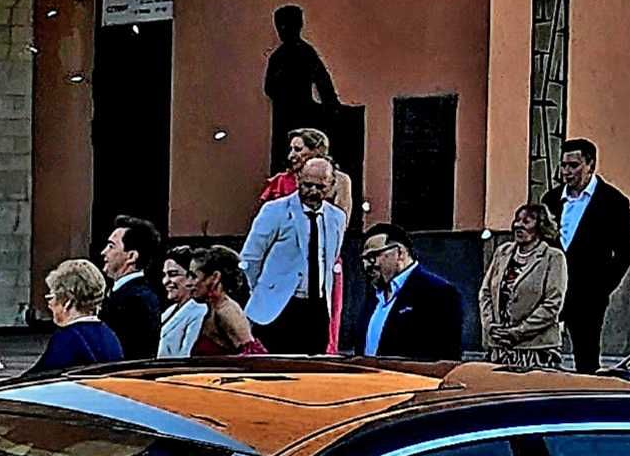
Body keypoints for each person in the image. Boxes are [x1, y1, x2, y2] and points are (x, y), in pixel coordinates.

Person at [238, 153, 347, 353]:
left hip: (317, 306)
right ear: (298, 180)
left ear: (331, 186)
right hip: (279, 307)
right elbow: (250, 258)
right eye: (307, 184)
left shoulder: (337, 217)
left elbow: (330, 261)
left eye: (320, 187)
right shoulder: (274, 210)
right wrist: (263, 290)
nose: (312, 191)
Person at [554, 139, 630, 375]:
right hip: (552, 289)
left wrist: (602, 287)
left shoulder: (613, 202)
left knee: (586, 356)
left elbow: (626, 250)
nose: (567, 172)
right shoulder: (551, 200)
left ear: (590, 165)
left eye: (573, 165)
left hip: (588, 292)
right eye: (564, 166)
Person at [355, 225, 468, 359]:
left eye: (373, 256)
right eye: (364, 259)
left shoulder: (439, 293)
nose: (367, 265)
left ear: (400, 253)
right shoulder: (374, 296)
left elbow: (445, 357)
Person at [480, 202, 570, 368]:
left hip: (535, 351)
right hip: (500, 349)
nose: (518, 226)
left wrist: (519, 332)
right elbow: (485, 293)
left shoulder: (553, 258)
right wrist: (490, 326)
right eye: (517, 220)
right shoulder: (502, 252)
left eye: (526, 222)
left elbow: (552, 304)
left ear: (540, 227)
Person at [260, 6, 341, 171]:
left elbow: (323, 82)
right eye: (280, 26)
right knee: (284, 158)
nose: (282, 31)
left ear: (298, 26)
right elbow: (269, 88)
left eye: (286, 26)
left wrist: (333, 107)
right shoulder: (278, 57)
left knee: (302, 156)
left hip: (302, 113)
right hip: (284, 115)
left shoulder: (305, 53)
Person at [28, 261, 120, 374]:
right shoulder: (109, 334)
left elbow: (35, 379)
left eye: (52, 297)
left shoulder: (68, 338)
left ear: (67, 302)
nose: (49, 304)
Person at [97, 216, 166, 360]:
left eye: (111, 246)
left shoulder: (136, 298)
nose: (104, 252)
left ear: (132, 256)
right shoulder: (123, 293)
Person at [187, 248, 271, 358]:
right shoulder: (212, 309)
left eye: (193, 276)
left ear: (215, 277)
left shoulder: (227, 311)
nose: (188, 283)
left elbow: (256, 357)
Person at [156, 249, 207, 358]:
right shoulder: (169, 311)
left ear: (191, 277)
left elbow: (187, 355)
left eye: (173, 274)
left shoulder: (199, 311)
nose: (165, 281)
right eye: (164, 275)